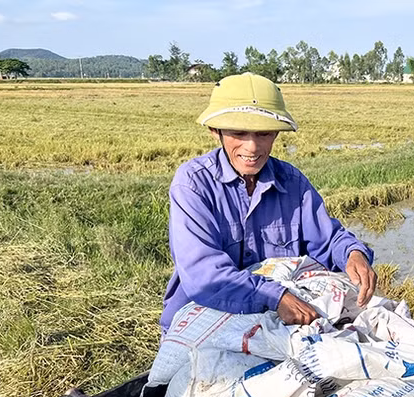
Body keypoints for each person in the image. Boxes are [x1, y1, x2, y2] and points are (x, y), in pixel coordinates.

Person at [160, 73, 377, 334]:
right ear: (215, 131)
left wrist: (353, 254)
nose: (252, 147)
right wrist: (274, 297)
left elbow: (327, 240)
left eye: (263, 134)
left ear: (276, 133)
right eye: (238, 133)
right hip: (205, 319)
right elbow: (203, 273)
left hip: (278, 322)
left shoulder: (292, 182)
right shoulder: (193, 184)